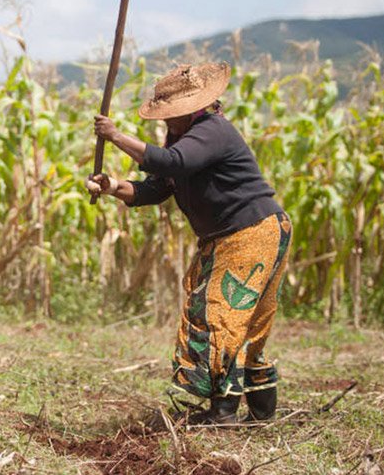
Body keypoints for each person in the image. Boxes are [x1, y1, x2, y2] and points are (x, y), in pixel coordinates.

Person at [86, 62, 291, 425]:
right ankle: (260, 416)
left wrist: (115, 136)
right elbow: (155, 188)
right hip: (239, 236)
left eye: (172, 116)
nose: (167, 122)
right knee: (237, 325)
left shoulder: (212, 132)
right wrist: (112, 186)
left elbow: (172, 164)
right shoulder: (183, 139)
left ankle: (223, 414)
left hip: (251, 233)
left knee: (220, 320)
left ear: (191, 109)